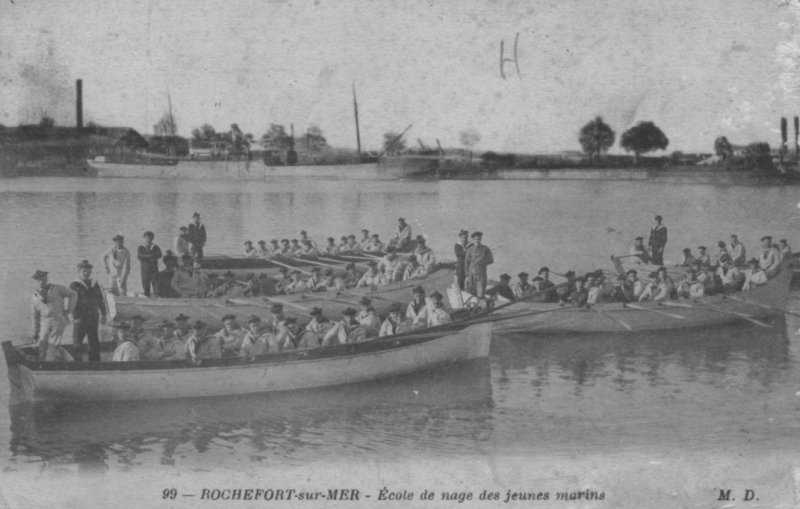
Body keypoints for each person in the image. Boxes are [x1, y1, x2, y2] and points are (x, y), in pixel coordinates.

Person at [30, 270, 76, 362]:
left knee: (52, 345)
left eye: (43, 278)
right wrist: (35, 333)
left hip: (58, 320)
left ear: (46, 278)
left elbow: (73, 294)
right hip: (45, 322)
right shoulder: (35, 296)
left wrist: (69, 310)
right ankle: (42, 364)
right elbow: (35, 317)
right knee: (42, 343)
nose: (41, 281)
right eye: (38, 280)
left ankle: (49, 364)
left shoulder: (57, 288)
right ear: (35, 281)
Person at [70, 260, 108, 362]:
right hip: (80, 319)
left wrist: (104, 314)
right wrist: (75, 317)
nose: (87, 273)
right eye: (84, 271)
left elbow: (100, 300)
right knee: (77, 343)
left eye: (88, 271)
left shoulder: (95, 284)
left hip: (93, 318)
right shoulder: (74, 285)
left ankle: (95, 363)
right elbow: (72, 303)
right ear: (79, 272)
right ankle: (77, 364)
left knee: (94, 342)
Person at [465, 231, 493, 298]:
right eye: (476, 239)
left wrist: (481, 262)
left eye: (479, 239)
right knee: (471, 294)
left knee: (480, 294)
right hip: (471, 275)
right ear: (473, 240)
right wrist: (467, 275)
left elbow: (491, 260)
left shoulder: (485, 249)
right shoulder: (470, 249)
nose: (477, 240)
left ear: (481, 239)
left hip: (481, 275)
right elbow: (466, 263)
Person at [137, 231, 162, 297]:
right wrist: (151, 256)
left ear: (152, 238)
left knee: (156, 284)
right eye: (147, 237)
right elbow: (140, 256)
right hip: (145, 269)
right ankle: (147, 297)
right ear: (144, 238)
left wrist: (147, 256)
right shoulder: (141, 247)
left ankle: (157, 297)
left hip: (154, 269)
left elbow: (159, 254)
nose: (148, 239)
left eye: (150, 237)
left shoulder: (155, 247)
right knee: (145, 285)